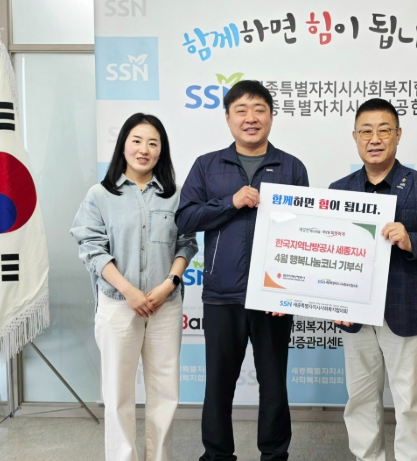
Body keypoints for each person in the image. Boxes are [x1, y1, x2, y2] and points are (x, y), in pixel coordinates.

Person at [175, 80, 309, 461]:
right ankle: (217, 455)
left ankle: (274, 455)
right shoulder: (207, 165)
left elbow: (303, 234)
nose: (251, 118)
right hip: (222, 295)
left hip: (273, 297)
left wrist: (289, 292)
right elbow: (185, 218)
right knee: (218, 386)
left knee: (274, 386)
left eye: (259, 109)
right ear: (228, 118)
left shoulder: (291, 167)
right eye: (241, 110)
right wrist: (230, 202)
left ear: (271, 116)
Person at [330, 98, 417, 461]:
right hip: (355, 314)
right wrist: (334, 303)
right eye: (366, 131)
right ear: (355, 137)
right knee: (360, 400)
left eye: (384, 130)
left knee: (411, 402)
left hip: (404, 310)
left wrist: (411, 239)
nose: (375, 138)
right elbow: (331, 253)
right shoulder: (339, 190)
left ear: (398, 135)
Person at [70, 113, 198, 461]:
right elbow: (91, 248)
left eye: (153, 143)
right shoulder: (99, 195)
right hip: (117, 304)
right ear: (123, 145)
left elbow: (187, 244)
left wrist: (168, 285)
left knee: (165, 394)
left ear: (161, 151)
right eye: (137, 141)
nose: (144, 149)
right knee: (118, 395)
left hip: (164, 306)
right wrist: (129, 291)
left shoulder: (175, 197)